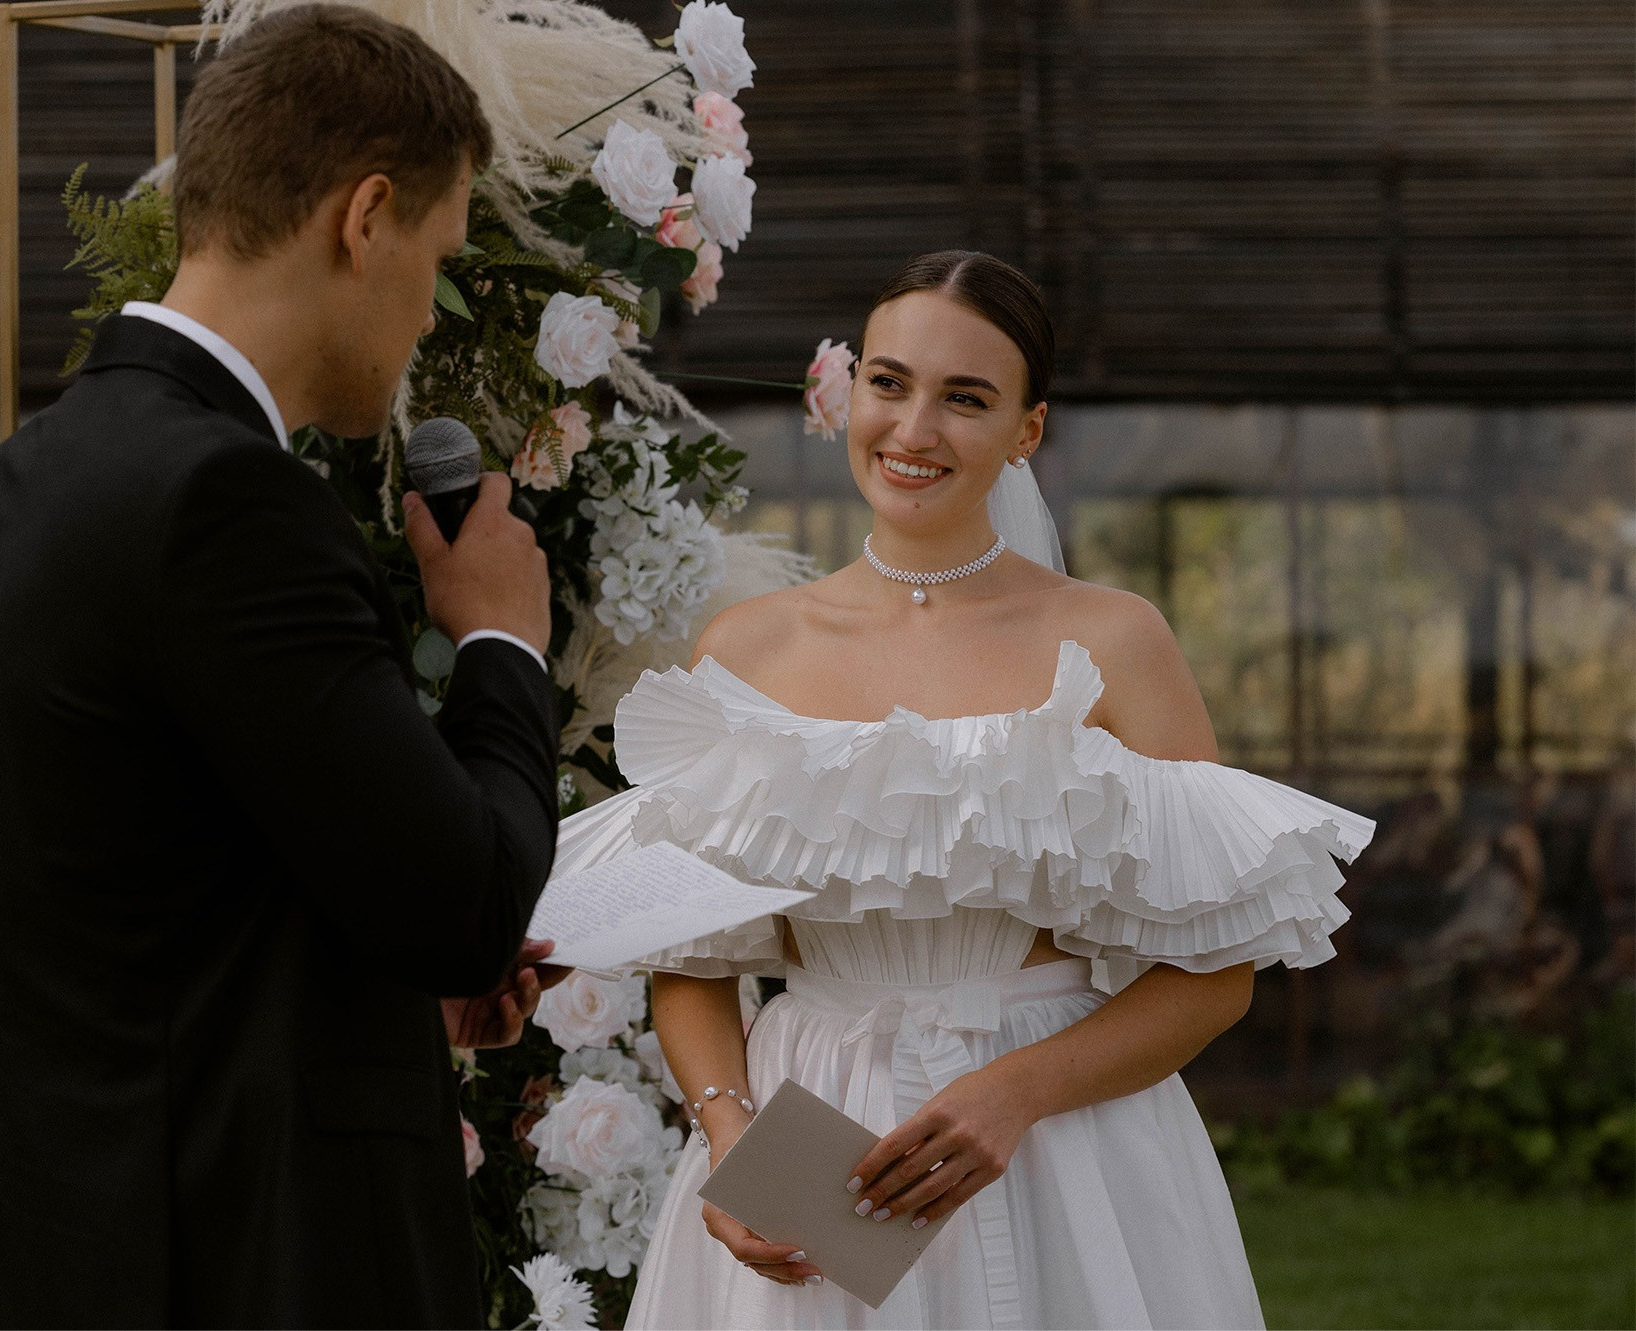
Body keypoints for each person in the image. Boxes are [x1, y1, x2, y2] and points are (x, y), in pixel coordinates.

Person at [554, 251, 1376, 1329]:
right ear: (846, 391)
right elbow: (688, 958)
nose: (911, 429)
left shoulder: (1113, 639)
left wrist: (1016, 1090)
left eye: (965, 398)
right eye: (887, 382)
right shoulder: (745, 648)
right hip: (812, 1140)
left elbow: (1212, 976)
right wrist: (727, 1128)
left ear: (1025, 431)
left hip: (1062, 1148)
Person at [0, 8, 563, 1326]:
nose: (428, 316)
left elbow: (145, 907)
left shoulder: (20, 479)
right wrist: (502, 637)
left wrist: (390, 993)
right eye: (437, 262)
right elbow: (466, 902)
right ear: (364, 217)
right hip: (229, 1260)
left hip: (48, 1248)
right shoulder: (230, 505)